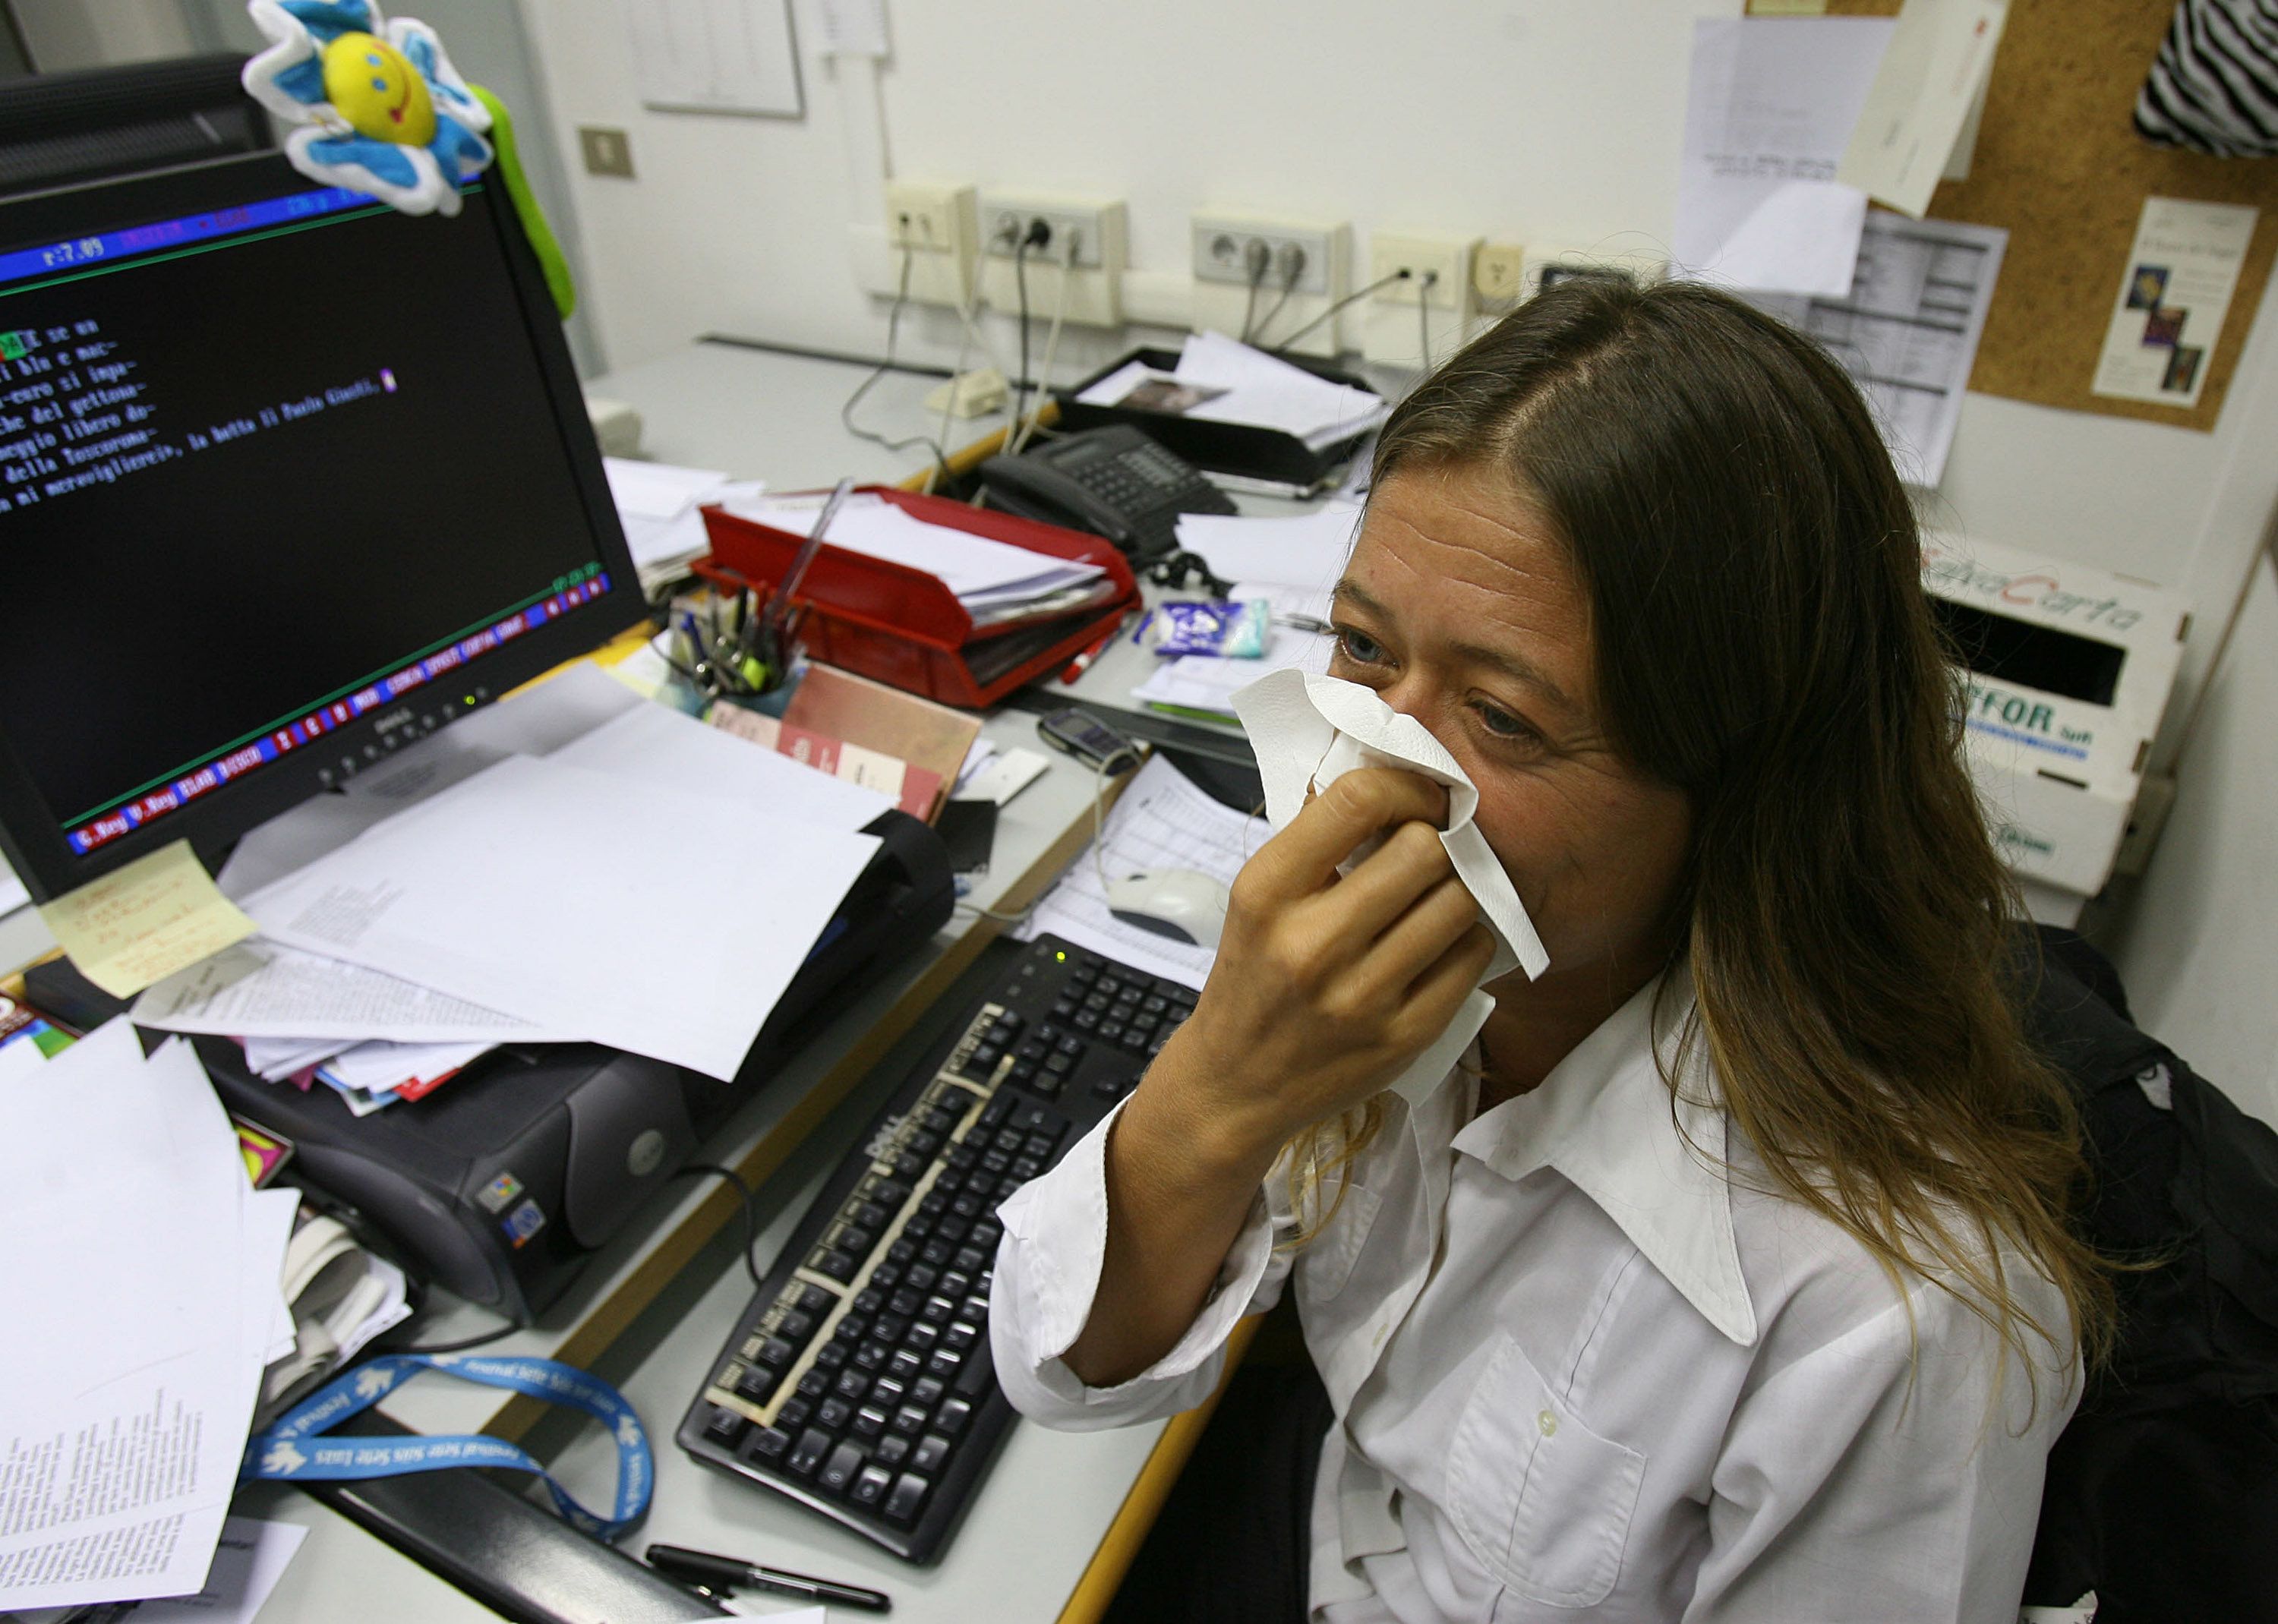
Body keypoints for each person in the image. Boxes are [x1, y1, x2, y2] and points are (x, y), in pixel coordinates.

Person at [988, 278, 2115, 1623]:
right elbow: (1066, 1365)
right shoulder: (1403, 998)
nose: (1370, 765)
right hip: (1332, 1538)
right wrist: (1221, 1083)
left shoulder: (1894, 1323)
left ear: (1740, 789)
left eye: (1504, 718)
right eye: (1361, 647)